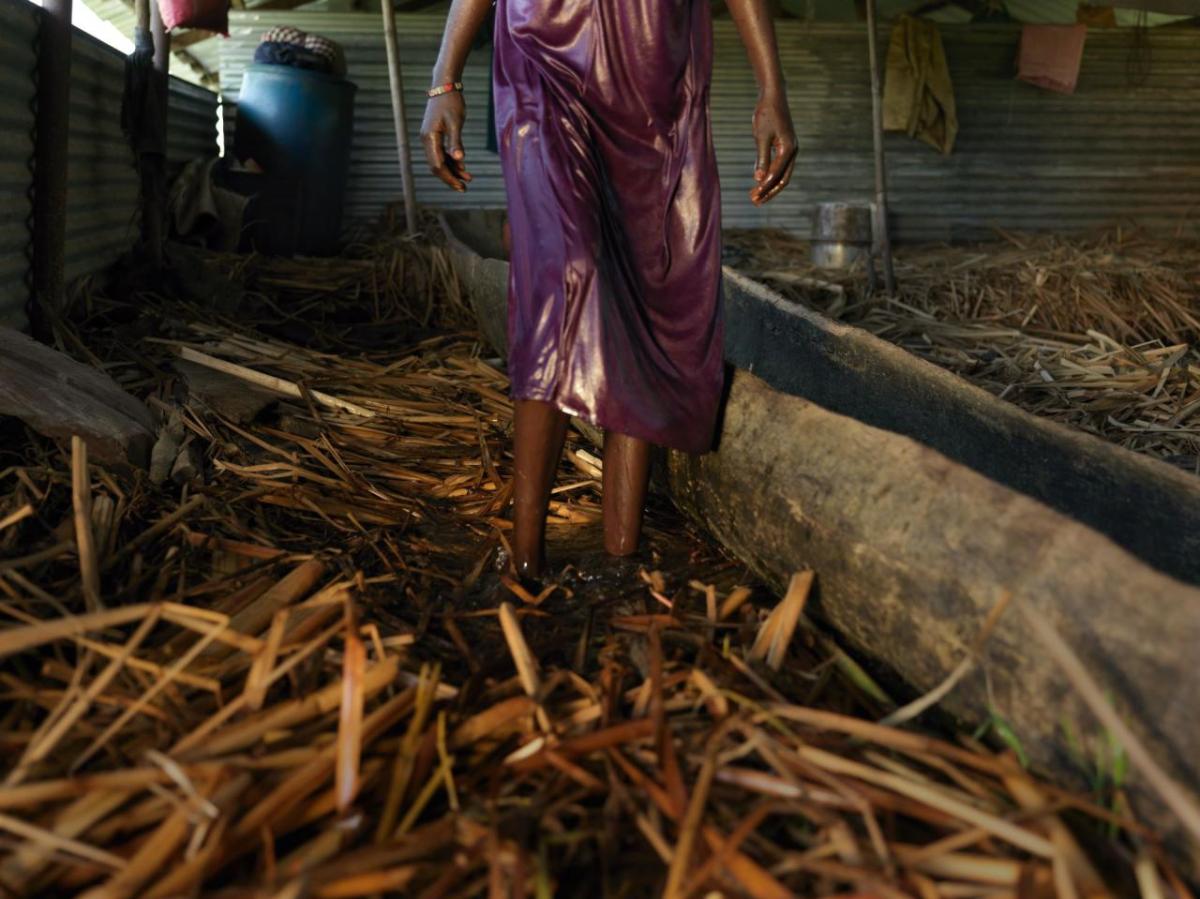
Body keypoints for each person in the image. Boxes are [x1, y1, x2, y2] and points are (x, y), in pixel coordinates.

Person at [421, 0, 796, 581]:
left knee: (647, 288)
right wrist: (444, 78)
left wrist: (773, 88)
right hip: (541, 60)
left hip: (652, 78)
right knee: (561, 273)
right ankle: (525, 557)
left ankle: (622, 561)